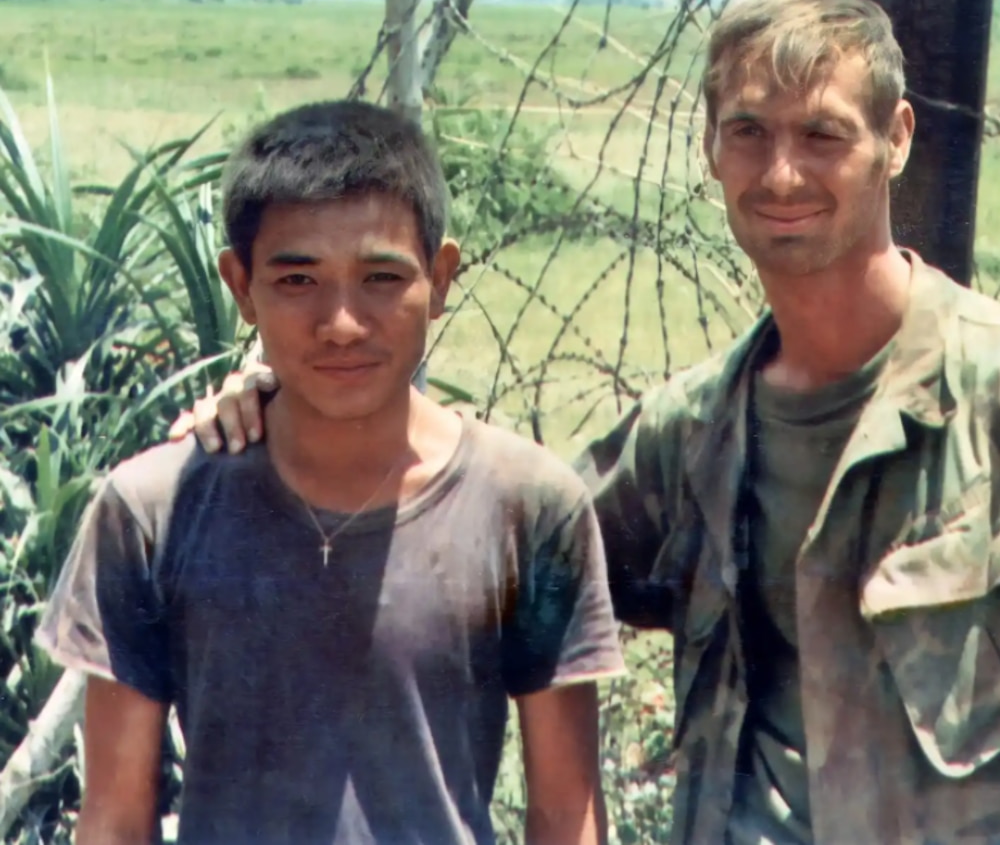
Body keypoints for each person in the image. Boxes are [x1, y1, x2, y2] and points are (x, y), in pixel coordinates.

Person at [171, 0, 1000, 843]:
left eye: (820, 135)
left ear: (894, 140)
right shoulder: (693, 434)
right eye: (747, 132)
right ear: (710, 149)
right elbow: (483, 537)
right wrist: (303, 412)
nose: (781, 173)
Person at [37, 99, 626, 845]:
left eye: (382, 277)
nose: (342, 322)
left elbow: (566, 815)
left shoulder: (528, 508)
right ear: (241, 285)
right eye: (297, 281)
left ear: (441, 278)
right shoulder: (156, 510)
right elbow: (116, 819)